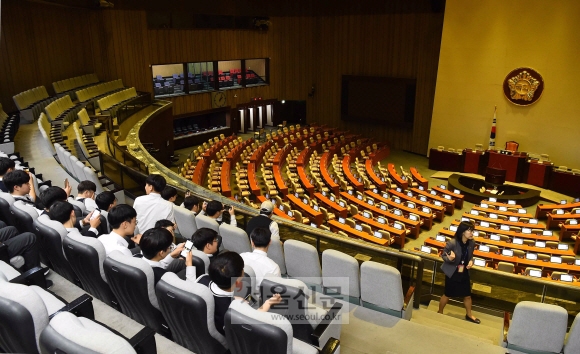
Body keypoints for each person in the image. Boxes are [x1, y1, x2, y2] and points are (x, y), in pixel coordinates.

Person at [196, 251, 282, 336]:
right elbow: (253, 320)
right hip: (229, 339)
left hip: (203, 328)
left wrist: (235, 299)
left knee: (253, 298)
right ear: (237, 282)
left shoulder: (202, 279)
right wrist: (269, 303)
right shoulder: (234, 310)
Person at [438, 220, 480, 324]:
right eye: (469, 231)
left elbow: (471, 256)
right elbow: (443, 256)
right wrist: (451, 259)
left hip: (464, 271)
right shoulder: (452, 243)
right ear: (462, 232)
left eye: (472, 231)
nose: (472, 233)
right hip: (453, 272)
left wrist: (471, 261)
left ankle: (469, 314)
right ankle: (440, 311)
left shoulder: (472, 243)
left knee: (467, 295)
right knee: (447, 294)